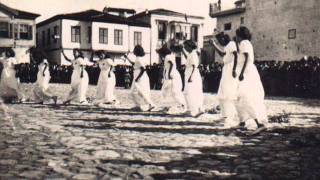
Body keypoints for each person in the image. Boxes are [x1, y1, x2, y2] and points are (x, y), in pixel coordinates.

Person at [235, 26, 268, 134]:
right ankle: (243, 122)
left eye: (237, 35)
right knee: (242, 97)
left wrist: (241, 73)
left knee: (246, 97)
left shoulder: (244, 43)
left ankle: (259, 124)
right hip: (249, 71)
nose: (236, 37)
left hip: (247, 72)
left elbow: (246, 59)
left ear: (240, 35)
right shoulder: (246, 43)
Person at [211, 32, 239, 128]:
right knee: (222, 93)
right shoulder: (227, 46)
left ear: (224, 38)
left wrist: (234, 69)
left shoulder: (232, 44)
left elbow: (236, 56)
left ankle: (229, 117)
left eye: (220, 41)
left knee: (228, 93)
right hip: (226, 69)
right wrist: (214, 45)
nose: (220, 42)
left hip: (230, 68)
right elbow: (223, 54)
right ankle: (224, 115)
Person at [123, 45, 155, 111]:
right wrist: (127, 58)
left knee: (138, 91)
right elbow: (134, 64)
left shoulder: (139, 59)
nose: (133, 51)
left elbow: (143, 69)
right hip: (138, 75)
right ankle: (139, 105)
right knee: (136, 92)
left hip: (140, 77)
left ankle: (149, 104)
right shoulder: (138, 58)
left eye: (134, 49)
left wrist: (137, 78)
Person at [157, 43, 186, 112]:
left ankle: (182, 104)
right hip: (170, 75)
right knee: (167, 91)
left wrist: (169, 73)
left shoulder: (168, 57)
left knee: (173, 91)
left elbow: (171, 64)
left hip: (171, 75)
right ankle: (169, 105)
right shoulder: (170, 56)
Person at [182, 40, 205, 117]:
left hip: (192, 74)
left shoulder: (193, 54)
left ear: (189, 46)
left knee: (191, 92)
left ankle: (197, 109)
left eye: (185, 46)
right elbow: (187, 58)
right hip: (189, 73)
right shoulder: (191, 54)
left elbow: (194, 66)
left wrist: (191, 77)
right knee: (188, 92)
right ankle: (190, 109)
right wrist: (182, 50)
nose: (185, 48)